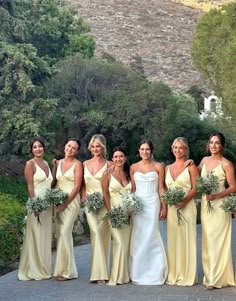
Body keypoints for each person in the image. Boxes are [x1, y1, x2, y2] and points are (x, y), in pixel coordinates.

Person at [198, 132, 235, 289]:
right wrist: (189, 163)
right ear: (208, 144)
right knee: (207, 241)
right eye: (211, 142)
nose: (213, 146)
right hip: (206, 206)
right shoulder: (204, 160)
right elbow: (194, 175)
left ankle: (216, 278)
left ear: (222, 146)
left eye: (217, 143)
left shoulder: (226, 164)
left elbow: (233, 187)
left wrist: (217, 195)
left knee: (218, 242)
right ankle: (209, 275)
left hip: (220, 206)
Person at [129, 139, 167, 285]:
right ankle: (138, 271)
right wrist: (130, 205)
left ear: (151, 151)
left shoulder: (159, 166)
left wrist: (164, 206)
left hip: (153, 202)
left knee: (152, 234)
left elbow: (161, 188)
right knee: (138, 236)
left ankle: (155, 271)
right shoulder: (133, 167)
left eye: (147, 149)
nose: (145, 152)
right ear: (138, 151)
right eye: (142, 149)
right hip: (138, 204)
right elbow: (133, 189)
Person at [18, 137, 53, 280]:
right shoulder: (29, 164)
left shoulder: (46, 163)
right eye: (34, 147)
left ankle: (44, 267)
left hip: (48, 205)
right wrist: (34, 205)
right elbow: (30, 186)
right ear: (31, 150)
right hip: (37, 204)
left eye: (40, 146)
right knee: (36, 235)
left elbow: (50, 183)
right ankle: (34, 269)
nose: (38, 149)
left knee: (45, 235)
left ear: (43, 148)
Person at [165, 137, 198, 286]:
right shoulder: (167, 168)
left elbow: (196, 188)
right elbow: (165, 190)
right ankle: (174, 273)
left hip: (187, 207)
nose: (178, 150)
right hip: (172, 209)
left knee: (187, 238)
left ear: (186, 150)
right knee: (173, 240)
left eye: (181, 148)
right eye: (175, 147)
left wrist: (184, 201)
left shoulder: (190, 167)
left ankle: (187, 275)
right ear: (172, 149)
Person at [82, 134, 112, 285]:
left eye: (98, 146)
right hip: (89, 205)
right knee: (95, 232)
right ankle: (100, 273)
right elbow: (82, 184)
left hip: (104, 204)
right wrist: (83, 196)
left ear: (103, 147)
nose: (95, 149)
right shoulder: (84, 164)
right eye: (93, 146)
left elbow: (118, 182)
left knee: (102, 236)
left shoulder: (110, 164)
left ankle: (100, 271)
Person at [52, 139, 83, 281]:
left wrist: (65, 203)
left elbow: (77, 186)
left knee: (65, 232)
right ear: (65, 146)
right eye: (69, 146)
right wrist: (53, 168)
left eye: (74, 148)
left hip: (71, 202)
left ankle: (67, 272)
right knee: (61, 235)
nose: (70, 149)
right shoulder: (58, 163)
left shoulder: (78, 165)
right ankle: (63, 269)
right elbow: (53, 182)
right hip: (58, 202)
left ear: (77, 151)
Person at [101, 147, 131, 286]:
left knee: (126, 244)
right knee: (118, 242)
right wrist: (110, 211)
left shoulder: (129, 173)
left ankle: (126, 274)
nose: (118, 159)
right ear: (112, 159)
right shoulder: (107, 174)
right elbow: (105, 194)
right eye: (115, 157)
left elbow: (134, 192)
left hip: (128, 214)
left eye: (121, 156)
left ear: (125, 158)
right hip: (115, 213)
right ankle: (117, 275)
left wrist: (132, 207)